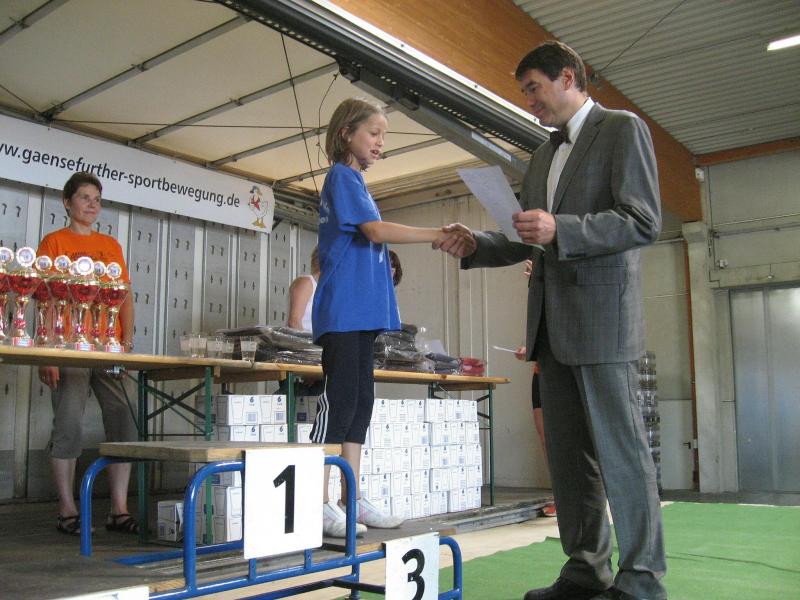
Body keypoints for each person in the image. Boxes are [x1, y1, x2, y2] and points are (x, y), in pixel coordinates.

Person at [436, 41, 665, 600]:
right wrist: (477, 243)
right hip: (550, 329)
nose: (530, 102)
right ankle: (586, 570)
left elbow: (642, 220)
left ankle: (641, 581)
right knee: (568, 460)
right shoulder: (541, 156)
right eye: (525, 93)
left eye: (534, 89)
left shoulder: (622, 129)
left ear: (567, 77)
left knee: (623, 455)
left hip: (604, 325)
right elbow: (526, 236)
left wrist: (563, 228)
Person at [311, 97, 467, 537]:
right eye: (373, 133)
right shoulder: (342, 176)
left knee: (361, 405)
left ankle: (352, 497)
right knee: (339, 403)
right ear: (346, 133)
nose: (380, 142)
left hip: (362, 315)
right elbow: (375, 231)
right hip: (343, 313)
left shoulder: (358, 184)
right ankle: (317, 501)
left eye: (384, 135)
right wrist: (436, 233)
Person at [38, 172, 138, 536]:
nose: (92, 205)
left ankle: (119, 510)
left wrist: (126, 344)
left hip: (108, 348)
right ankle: (67, 510)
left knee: (124, 421)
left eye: (97, 199)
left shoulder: (110, 245)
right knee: (68, 425)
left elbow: (124, 296)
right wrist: (47, 353)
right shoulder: (54, 242)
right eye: (84, 198)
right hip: (68, 347)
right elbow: (43, 297)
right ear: (67, 202)